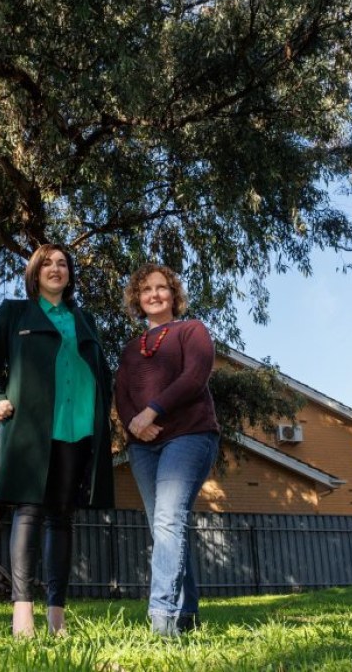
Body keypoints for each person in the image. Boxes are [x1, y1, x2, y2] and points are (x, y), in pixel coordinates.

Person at [0, 243, 114, 638]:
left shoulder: (83, 318)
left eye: (63, 264)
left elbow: (102, 372)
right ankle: (22, 614)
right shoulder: (15, 312)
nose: (57, 268)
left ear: (70, 275)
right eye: (48, 263)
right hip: (32, 428)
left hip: (78, 428)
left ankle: (57, 616)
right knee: (29, 512)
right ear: (35, 273)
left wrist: (104, 412)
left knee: (62, 518)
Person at [115, 262, 220, 638]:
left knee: (168, 521)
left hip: (190, 435)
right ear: (137, 300)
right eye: (146, 290)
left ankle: (162, 619)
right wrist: (135, 423)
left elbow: (194, 377)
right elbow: (122, 394)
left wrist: (151, 411)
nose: (154, 295)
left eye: (161, 288)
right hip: (144, 445)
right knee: (163, 527)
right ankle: (187, 614)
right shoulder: (130, 350)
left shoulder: (192, 330)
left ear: (173, 294)